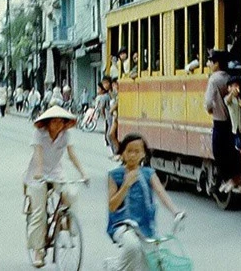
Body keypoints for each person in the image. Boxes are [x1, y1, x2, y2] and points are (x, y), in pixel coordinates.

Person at [105, 133, 184, 271]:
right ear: (122, 154)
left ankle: (116, 265)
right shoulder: (114, 175)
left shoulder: (149, 173)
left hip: (145, 226)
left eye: (137, 151)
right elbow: (112, 206)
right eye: (129, 151)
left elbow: (161, 193)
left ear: (144, 154)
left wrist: (175, 211)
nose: (133, 155)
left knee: (149, 265)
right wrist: (126, 185)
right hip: (121, 225)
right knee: (132, 246)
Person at [23, 106, 88, 268]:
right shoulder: (39, 134)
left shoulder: (65, 135)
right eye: (54, 121)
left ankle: (67, 222)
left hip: (57, 172)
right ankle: (39, 250)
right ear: (47, 122)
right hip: (37, 175)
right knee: (39, 213)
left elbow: (72, 155)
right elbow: (38, 154)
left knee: (71, 193)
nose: (58, 125)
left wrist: (83, 173)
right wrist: (38, 172)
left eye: (61, 121)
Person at [204, 50, 241, 193]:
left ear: (217, 63)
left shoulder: (214, 79)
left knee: (218, 151)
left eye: (210, 61)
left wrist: (209, 109)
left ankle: (228, 178)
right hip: (231, 121)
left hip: (219, 120)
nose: (208, 64)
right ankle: (234, 177)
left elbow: (208, 102)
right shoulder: (228, 77)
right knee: (231, 151)